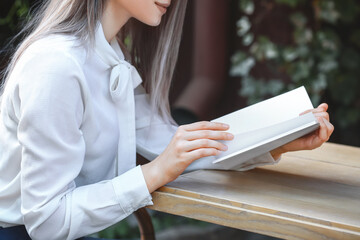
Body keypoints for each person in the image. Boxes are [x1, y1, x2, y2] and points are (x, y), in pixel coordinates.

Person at [0, 0, 334, 239]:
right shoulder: (56, 67)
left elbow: (171, 143)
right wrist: (155, 171)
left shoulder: (109, 54)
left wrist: (279, 139)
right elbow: (45, 221)